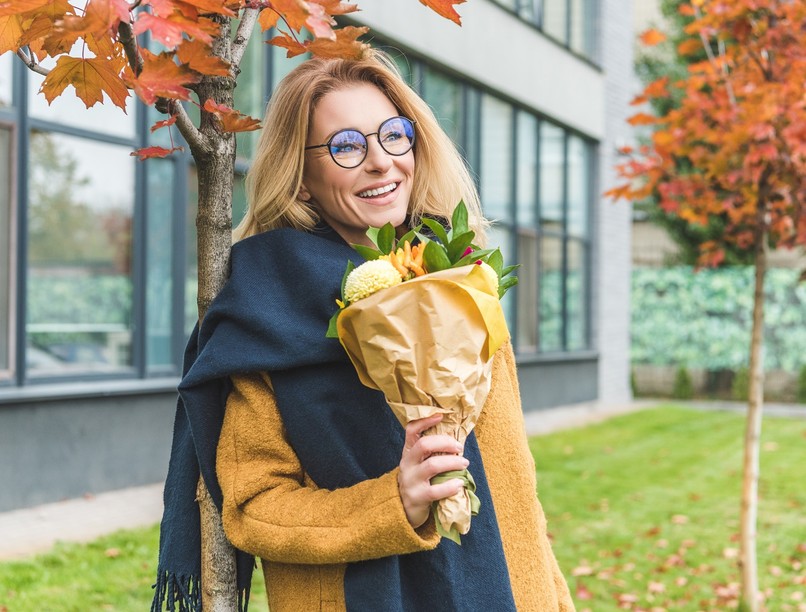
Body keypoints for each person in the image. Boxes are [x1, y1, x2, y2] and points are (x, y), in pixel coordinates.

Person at [152, 50, 574, 612]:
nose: (381, 161)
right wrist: (392, 502)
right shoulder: (265, 311)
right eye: (347, 146)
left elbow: (519, 493)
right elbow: (253, 504)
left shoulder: (462, 284)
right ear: (302, 181)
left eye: (394, 135)